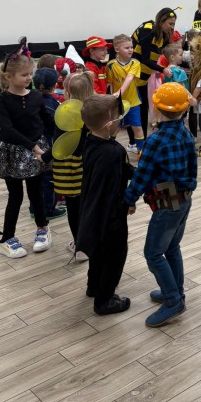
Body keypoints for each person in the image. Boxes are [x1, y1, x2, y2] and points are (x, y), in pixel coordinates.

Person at [124, 83, 197, 327]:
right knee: (172, 247)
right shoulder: (186, 133)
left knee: (153, 253)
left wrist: (128, 199)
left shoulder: (155, 141)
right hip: (184, 197)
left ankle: (174, 301)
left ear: (155, 108)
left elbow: (142, 175)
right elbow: (192, 169)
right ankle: (174, 291)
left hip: (167, 200)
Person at [0, 40, 53, 258]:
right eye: (24, 75)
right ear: (9, 77)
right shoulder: (2, 100)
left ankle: (42, 228)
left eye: (30, 74)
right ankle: (7, 239)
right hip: (12, 152)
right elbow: (7, 129)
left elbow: (48, 120)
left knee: (36, 193)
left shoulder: (36, 96)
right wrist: (33, 146)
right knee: (15, 196)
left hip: (36, 153)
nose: (29, 78)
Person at [77, 95, 132, 315]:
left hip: (93, 212)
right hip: (111, 216)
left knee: (98, 253)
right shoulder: (113, 151)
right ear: (109, 124)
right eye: (118, 117)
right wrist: (126, 203)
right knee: (115, 256)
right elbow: (114, 185)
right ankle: (105, 300)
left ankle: (93, 286)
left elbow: (122, 171)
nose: (121, 120)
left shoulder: (90, 142)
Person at [45, 71, 94, 262]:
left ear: (67, 92)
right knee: (88, 206)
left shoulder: (66, 113)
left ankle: (79, 247)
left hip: (70, 168)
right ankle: (90, 242)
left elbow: (58, 144)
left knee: (73, 208)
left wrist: (44, 157)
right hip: (90, 165)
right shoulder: (95, 111)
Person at [132, 8, 182, 134]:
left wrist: (187, 63)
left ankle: (142, 139)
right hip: (133, 75)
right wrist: (163, 69)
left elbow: (169, 53)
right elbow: (145, 59)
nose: (172, 27)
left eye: (174, 24)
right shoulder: (147, 31)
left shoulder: (164, 35)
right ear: (161, 21)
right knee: (136, 110)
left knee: (144, 108)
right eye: (170, 24)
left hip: (145, 75)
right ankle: (136, 141)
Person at [32, 67, 67, 219]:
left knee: (36, 178)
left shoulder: (31, 99)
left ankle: (34, 207)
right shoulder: (51, 103)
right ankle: (48, 209)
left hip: (33, 144)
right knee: (48, 178)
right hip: (48, 144)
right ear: (54, 85)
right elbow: (57, 124)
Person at [106, 34, 144, 153]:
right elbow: (109, 84)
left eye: (131, 47)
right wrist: (111, 100)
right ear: (117, 49)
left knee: (137, 127)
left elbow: (130, 77)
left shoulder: (135, 63)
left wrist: (119, 92)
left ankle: (142, 152)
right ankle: (109, 151)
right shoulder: (110, 65)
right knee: (114, 129)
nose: (130, 50)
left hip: (133, 103)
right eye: (127, 48)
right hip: (118, 104)